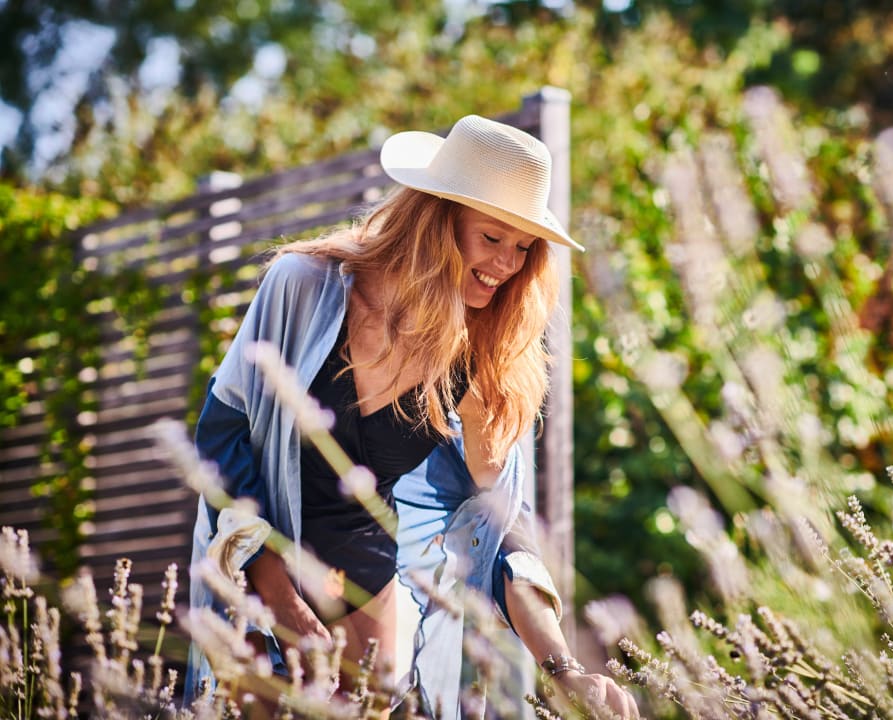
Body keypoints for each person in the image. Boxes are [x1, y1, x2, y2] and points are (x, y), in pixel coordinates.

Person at [184, 114, 640, 719]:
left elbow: (501, 528)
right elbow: (221, 434)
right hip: (256, 557)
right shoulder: (303, 287)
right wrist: (279, 594)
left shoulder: (485, 359)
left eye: (524, 247)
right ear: (438, 217)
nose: (507, 264)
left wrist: (566, 670)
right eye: (492, 238)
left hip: (364, 575)